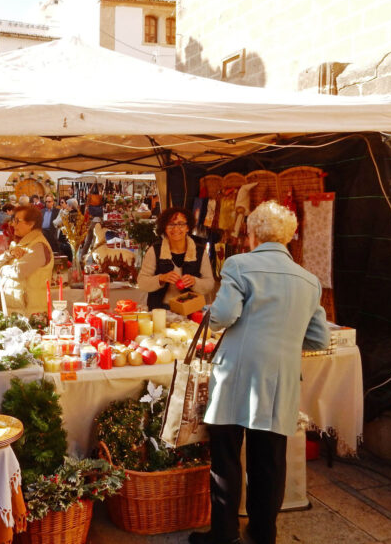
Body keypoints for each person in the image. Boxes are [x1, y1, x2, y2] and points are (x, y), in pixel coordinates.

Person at [189, 201, 330, 544]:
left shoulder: (240, 264)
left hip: (236, 373)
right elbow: (318, 338)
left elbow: (222, 317)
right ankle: (263, 531)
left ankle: (224, 533)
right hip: (280, 377)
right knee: (269, 459)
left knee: (226, 457)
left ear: (252, 235)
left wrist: (209, 309)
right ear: (287, 238)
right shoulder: (308, 279)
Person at [137, 207, 214, 309]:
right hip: (160, 310)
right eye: (170, 224)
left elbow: (210, 284)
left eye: (181, 224)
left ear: (188, 227)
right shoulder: (155, 250)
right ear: (164, 227)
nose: (176, 229)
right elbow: (142, 282)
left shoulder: (199, 252)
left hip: (191, 309)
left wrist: (195, 282)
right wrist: (161, 278)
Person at [0, 206, 53, 316]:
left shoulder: (38, 246)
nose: (13, 224)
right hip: (15, 314)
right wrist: (9, 254)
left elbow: (19, 272)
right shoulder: (19, 245)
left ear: (31, 224)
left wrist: (3, 269)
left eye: (17, 221)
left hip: (31, 317)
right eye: (13, 220)